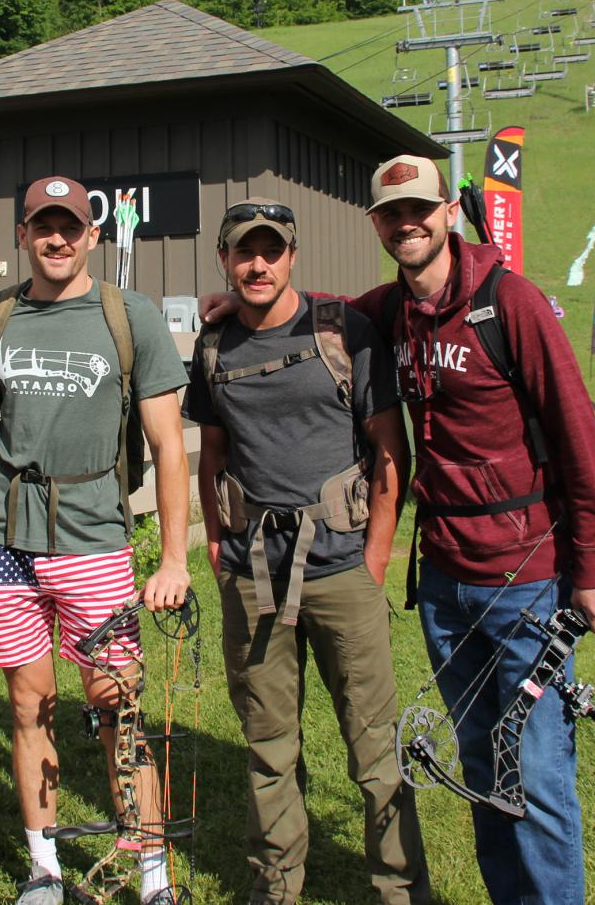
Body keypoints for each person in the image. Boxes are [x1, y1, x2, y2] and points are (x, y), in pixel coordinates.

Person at [356, 155, 595, 905]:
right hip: (443, 582)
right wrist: (242, 297)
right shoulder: (391, 311)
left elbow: (577, 434)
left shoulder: (511, 304)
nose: (407, 224)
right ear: (377, 224)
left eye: (420, 210)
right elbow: (326, 309)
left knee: (533, 773)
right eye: (391, 214)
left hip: (527, 583)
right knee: (481, 764)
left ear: (448, 213)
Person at [0, 175, 192, 905]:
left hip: (93, 538)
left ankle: (150, 872)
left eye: (69, 226)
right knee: (28, 705)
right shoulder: (0, 317)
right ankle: (44, 866)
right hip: (0, 536)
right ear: (21, 234)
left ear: (92, 235)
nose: (55, 238)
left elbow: (168, 447)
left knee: (118, 702)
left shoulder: (127, 316)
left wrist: (172, 559)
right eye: (41, 226)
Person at [182, 199, 429, 905]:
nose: (258, 264)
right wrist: (220, 546)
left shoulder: (342, 329)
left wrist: (373, 560)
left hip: (343, 570)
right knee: (268, 746)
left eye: (272, 250)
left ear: (292, 256)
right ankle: (275, 884)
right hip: (254, 575)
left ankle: (401, 889)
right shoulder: (214, 346)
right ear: (225, 260)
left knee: (375, 748)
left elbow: (390, 450)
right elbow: (213, 454)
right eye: (243, 252)